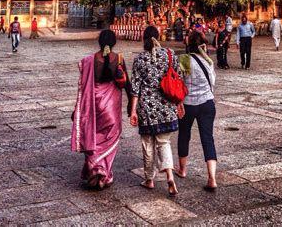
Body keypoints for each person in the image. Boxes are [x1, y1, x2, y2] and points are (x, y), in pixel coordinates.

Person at [71, 30, 131, 189]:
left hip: (93, 105)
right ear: (114, 43)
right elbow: (127, 84)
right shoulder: (118, 59)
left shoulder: (89, 61)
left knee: (92, 135)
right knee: (109, 139)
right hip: (111, 107)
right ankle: (103, 171)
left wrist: (76, 110)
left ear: (99, 42)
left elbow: (83, 89)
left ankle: (94, 167)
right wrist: (132, 105)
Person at [130, 26, 180, 196]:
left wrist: (133, 111)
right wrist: (180, 103)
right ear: (158, 37)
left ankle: (149, 179)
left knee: (147, 144)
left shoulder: (139, 59)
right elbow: (178, 78)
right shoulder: (170, 55)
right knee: (164, 143)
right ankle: (169, 176)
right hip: (166, 107)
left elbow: (135, 88)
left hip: (146, 108)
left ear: (144, 40)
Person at [176, 31, 218, 191]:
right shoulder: (207, 61)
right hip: (207, 102)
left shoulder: (184, 59)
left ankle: (183, 170)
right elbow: (212, 81)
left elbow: (179, 82)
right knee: (208, 138)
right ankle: (212, 178)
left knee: (184, 135)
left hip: (188, 104)